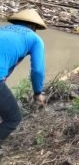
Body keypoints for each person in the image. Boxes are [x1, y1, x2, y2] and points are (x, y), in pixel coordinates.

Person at [0, 9, 47, 144]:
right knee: (13, 119)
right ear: (34, 27)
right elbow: (37, 70)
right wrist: (38, 92)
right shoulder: (34, 38)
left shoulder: (3, 30)